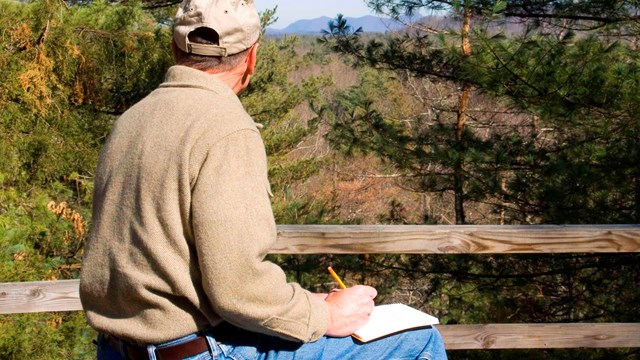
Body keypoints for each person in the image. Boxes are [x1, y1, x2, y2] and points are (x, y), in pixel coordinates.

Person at [79, 0, 448, 359]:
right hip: (200, 349)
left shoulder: (132, 120)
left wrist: (308, 303)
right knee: (418, 341)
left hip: (118, 347)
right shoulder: (226, 127)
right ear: (251, 57)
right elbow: (238, 288)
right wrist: (328, 315)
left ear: (175, 48)